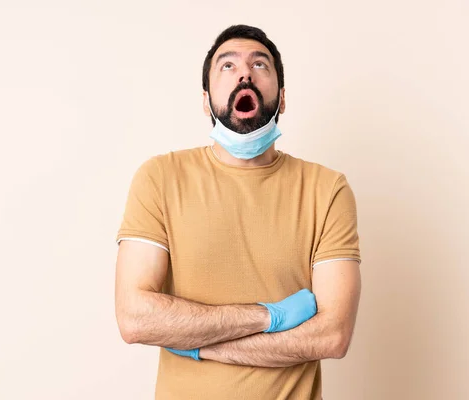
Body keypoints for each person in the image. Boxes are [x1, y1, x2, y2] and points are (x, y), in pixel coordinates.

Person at [114, 24, 362, 400]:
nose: (245, 72)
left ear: (281, 99)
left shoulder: (327, 189)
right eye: (226, 66)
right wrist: (269, 316)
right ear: (205, 100)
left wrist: (199, 346)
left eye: (260, 64)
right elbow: (135, 317)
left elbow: (332, 334)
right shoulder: (160, 178)